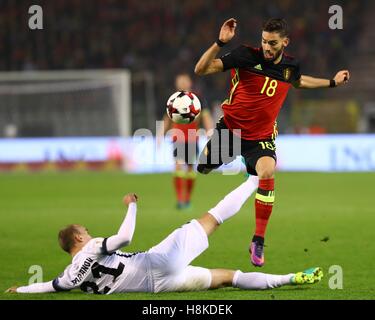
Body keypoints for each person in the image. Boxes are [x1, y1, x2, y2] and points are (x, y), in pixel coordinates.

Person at [194, 18, 350, 267]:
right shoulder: (245, 55)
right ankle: (225, 158)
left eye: (273, 43)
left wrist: (332, 82)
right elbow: (201, 70)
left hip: (261, 137)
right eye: (264, 41)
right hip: (230, 130)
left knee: (267, 172)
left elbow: (300, 81)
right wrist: (219, 42)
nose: (267, 47)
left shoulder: (290, 67)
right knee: (203, 167)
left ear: (285, 42)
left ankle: (258, 239)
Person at [6, 178, 322, 294]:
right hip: (156, 262)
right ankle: (256, 178)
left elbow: (49, 287)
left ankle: (292, 278)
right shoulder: (91, 248)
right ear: (77, 238)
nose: (88, 232)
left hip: (157, 287)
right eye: (84, 231)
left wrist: (20, 290)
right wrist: (130, 206)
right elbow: (125, 238)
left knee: (227, 278)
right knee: (211, 218)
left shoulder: (69, 276)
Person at [160, 73, 213, 210]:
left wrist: (210, 132)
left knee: (190, 169)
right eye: (180, 81)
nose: (183, 83)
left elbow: (206, 116)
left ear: (190, 83)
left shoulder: (197, 99)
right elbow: (167, 118)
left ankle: (187, 200)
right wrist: (161, 134)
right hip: (178, 138)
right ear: (176, 84)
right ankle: (180, 200)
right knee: (178, 166)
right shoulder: (173, 100)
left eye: (185, 81)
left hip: (192, 137)